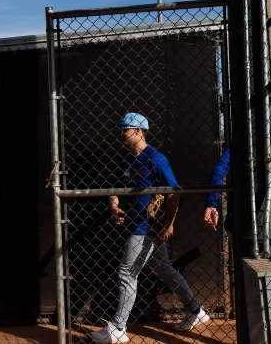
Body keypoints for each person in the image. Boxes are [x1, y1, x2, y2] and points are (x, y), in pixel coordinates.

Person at [90, 112, 209, 344]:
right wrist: (114, 209)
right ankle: (195, 311)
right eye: (121, 128)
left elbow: (174, 191)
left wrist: (169, 223)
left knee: (127, 272)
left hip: (148, 226)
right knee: (164, 270)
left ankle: (118, 327)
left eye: (124, 128)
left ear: (138, 131)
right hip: (134, 223)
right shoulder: (125, 160)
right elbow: (113, 189)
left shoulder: (155, 158)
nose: (120, 133)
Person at [203, 128, 271, 318]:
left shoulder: (240, 149)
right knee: (267, 264)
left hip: (237, 219)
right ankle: (262, 313)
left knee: (237, 263)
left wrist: (211, 204)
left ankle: (239, 308)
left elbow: (217, 171)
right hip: (268, 225)